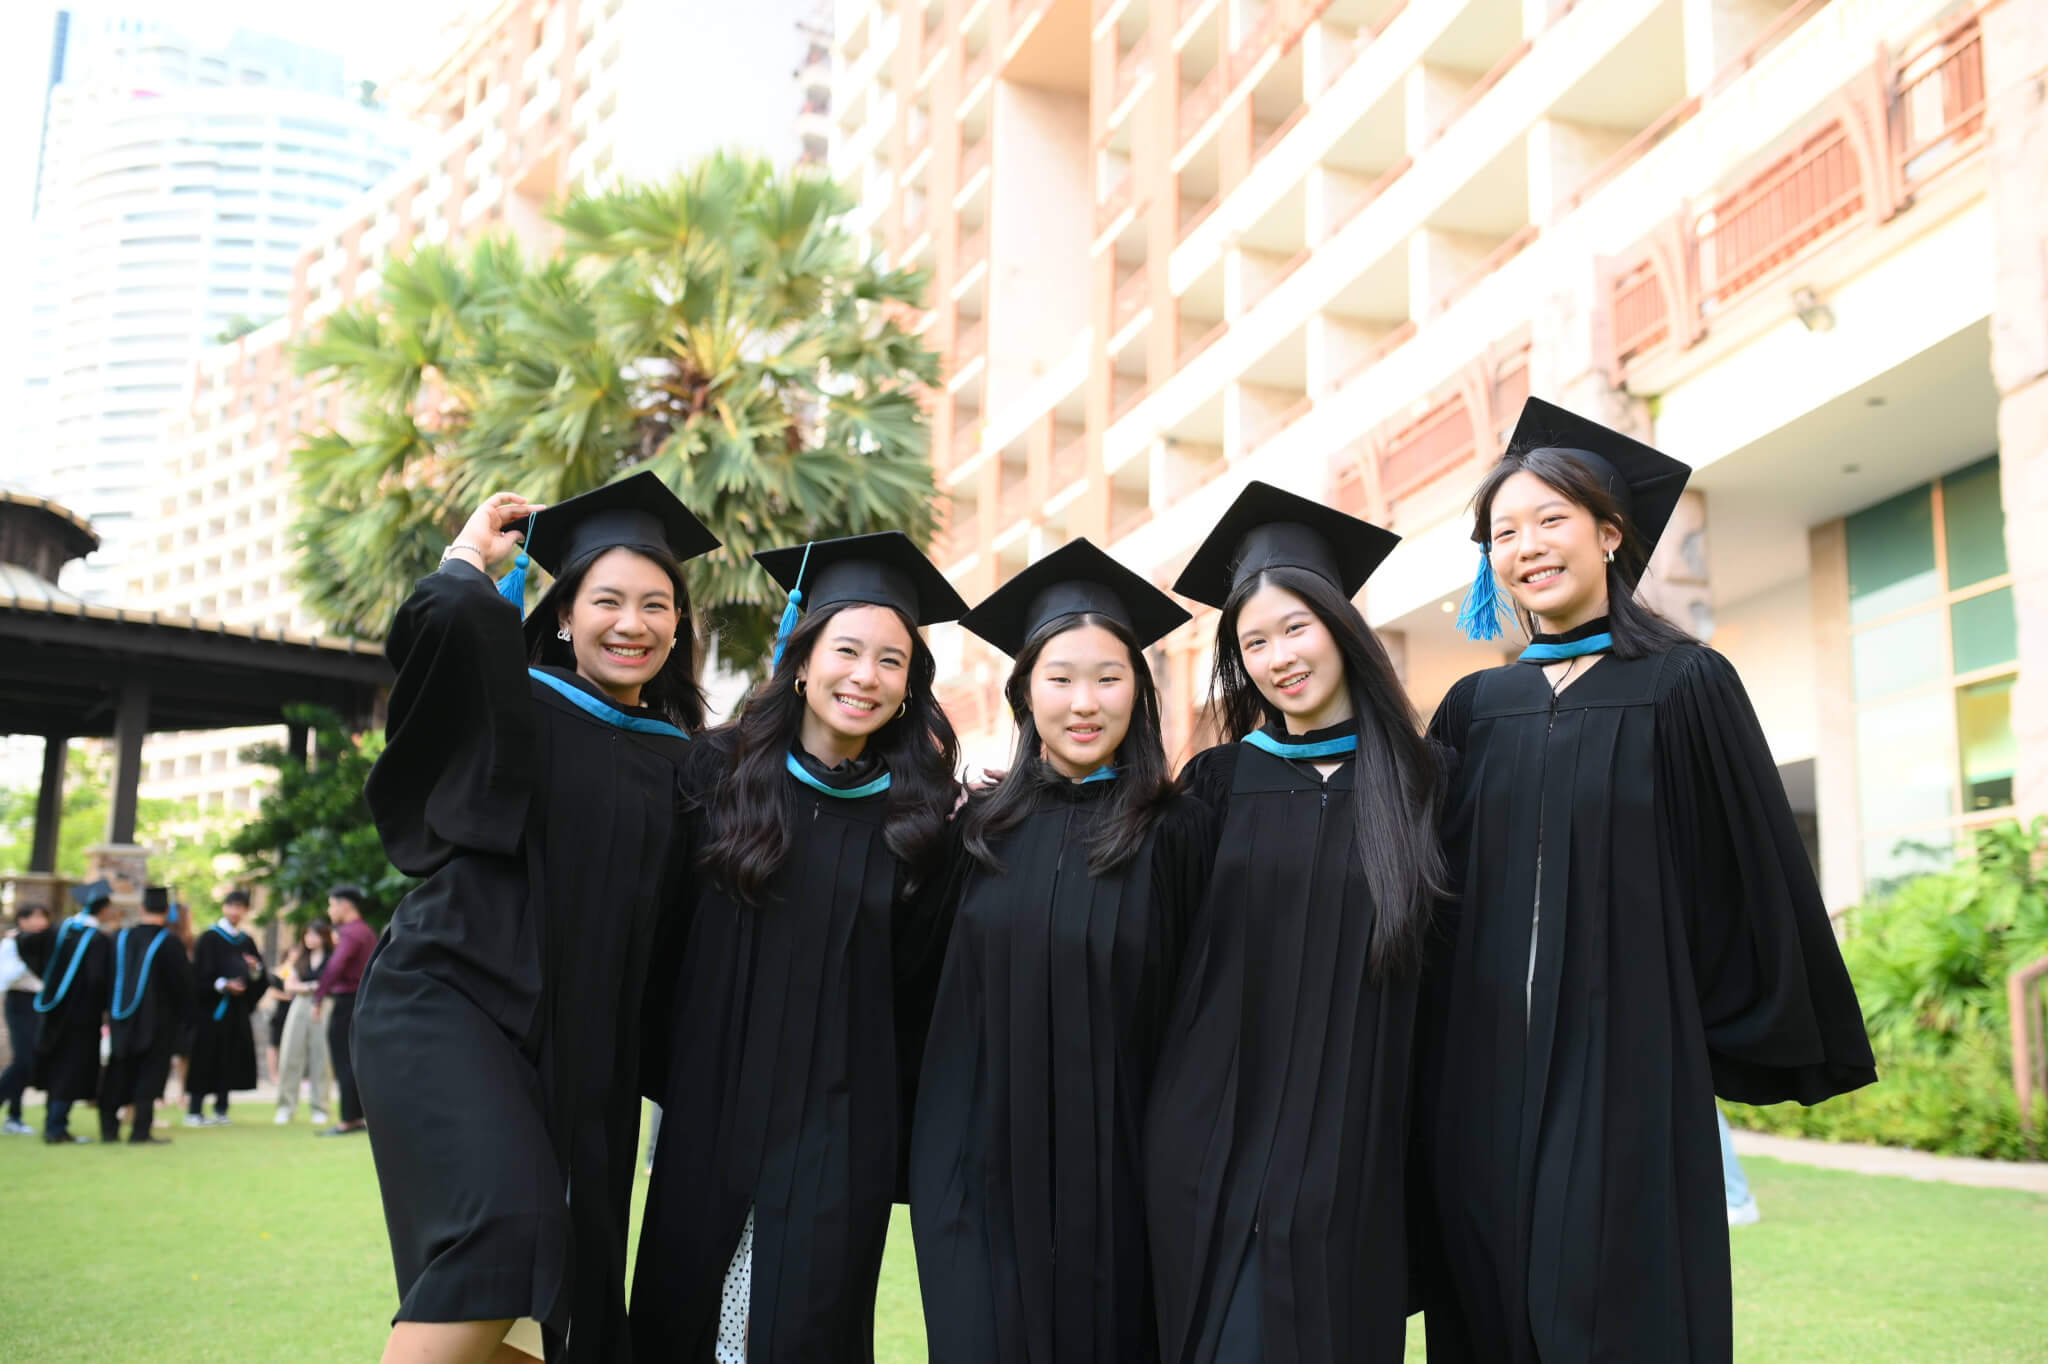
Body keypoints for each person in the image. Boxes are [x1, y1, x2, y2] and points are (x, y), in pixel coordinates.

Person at [1417, 398, 1876, 1363]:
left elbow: (1744, 872)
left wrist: (1698, 1026)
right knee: (1490, 1288)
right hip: (1482, 1061)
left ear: (1610, 532)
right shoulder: (1472, 708)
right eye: (1504, 532)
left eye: (1551, 520)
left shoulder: (1684, 685)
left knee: (1615, 1294)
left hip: (1626, 1054)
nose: (1527, 546)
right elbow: (1422, 879)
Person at [354, 476, 717, 1364]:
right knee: (507, 1230)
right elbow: (445, 631)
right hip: (451, 1003)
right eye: (607, 601)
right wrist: (468, 561)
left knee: (563, 1305)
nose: (632, 622)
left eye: (655, 605)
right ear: (562, 616)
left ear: (677, 629)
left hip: (581, 1055)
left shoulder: (688, 769)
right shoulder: (511, 707)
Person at [634, 531, 965, 1363]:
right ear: (804, 658)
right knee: (686, 1319)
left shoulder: (923, 821)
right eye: (847, 650)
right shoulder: (712, 777)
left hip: (840, 1128)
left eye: (892, 662)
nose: (865, 676)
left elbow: (921, 992)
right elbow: (654, 939)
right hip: (711, 1105)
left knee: (805, 1330)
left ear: (909, 686)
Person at [1144, 482, 1450, 1364]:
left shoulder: (1429, 782)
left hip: (1357, 1153)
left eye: (1295, 628)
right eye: (1254, 642)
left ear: (1340, 628)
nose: (1279, 656)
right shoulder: (1215, 786)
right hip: (1212, 1145)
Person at [911, 538, 1215, 1363]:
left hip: (1122, 1191)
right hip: (977, 1184)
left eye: (1108, 678)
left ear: (1138, 692)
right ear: (1025, 692)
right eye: (1061, 678)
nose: (1085, 702)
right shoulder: (972, 832)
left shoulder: (1179, 832)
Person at [99, 885, 191, 1146]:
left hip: (121, 1018)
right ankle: (140, 1132)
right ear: (166, 912)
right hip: (157, 1023)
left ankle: (109, 1130)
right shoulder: (169, 943)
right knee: (149, 1075)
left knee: (117, 1071)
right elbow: (183, 985)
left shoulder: (120, 938)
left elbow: (107, 976)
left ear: (141, 909)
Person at [31, 880, 116, 1145]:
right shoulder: (97, 940)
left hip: (53, 1014)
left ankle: (53, 1124)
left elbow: (34, 953)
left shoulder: (60, 930)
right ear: (102, 910)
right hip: (81, 1019)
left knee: (56, 1068)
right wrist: (104, 1009)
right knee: (69, 1071)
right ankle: (57, 1128)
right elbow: (97, 981)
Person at [185, 889, 267, 1126]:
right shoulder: (209, 938)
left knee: (228, 1059)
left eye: (240, 907)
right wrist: (222, 985)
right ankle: (195, 1110)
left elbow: (259, 979)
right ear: (224, 907)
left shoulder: (246, 941)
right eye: (231, 906)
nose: (235, 911)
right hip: (210, 1011)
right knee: (204, 1058)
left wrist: (254, 970)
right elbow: (197, 974)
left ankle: (221, 1109)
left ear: (246, 911)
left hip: (235, 1012)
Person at [317, 885, 375, 1137]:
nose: (330, 911)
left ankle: (347, 1120)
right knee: (355, 1059)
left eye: (332, 904)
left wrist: (318, 998)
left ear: (345, 905)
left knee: (343, 1060)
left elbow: (335, 967)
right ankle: (358, 1116)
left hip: (346, 1003)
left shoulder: (351, 933)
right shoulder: (367, 932)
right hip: (363, 1001)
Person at [274, 920, 333, 1125]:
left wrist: (307, 986)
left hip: (323, 1005)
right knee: (290, 1054)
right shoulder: (299, 956)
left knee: (322, 1057)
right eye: (307, 934)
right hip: (299, 1005)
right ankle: (286, 1107)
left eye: (315, 934)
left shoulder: (332, 958)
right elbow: (289, 985)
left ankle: (320, 1108)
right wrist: (311, 986)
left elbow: (329, 985)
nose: (310, 939)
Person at [0, 902, 52, 1135]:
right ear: (22, 919)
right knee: (22, 1060)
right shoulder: (12, 943)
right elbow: (6, 977)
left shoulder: (46, 943)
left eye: (44, 917)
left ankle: (15, 1116)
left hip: (39, 1003)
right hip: (20, 1001)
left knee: (28, 1062)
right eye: (36, 916)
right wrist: (23, 952)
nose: (41, 922)